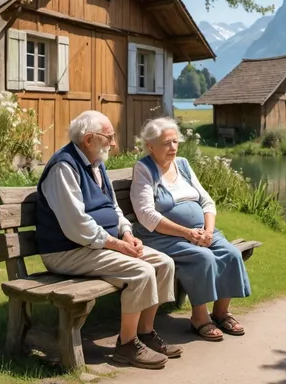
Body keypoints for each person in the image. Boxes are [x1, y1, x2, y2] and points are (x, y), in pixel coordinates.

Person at [35, 110, 182, 370]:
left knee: (164, 263)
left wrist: (126, 233)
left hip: (97, 244)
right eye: (109, 137)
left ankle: (145, 333)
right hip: (67, 251)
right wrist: (116, 244)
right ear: (89, 139)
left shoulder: (96, 162)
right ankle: (126, 345)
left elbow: (112, 208)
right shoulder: (64, 167)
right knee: (141, 271)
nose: (114, 144)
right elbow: (76, 226)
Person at [130, 117, 251, 342]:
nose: (173, 147)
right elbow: (146, 215)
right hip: (162, 236)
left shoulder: (183, 164)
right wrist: (187, 233)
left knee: (231, 253)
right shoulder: (144, 169)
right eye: (167, 143)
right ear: (150, 146)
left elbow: (207, 201)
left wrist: (207, 230)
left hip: (198, 231)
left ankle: (221, 312)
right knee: (203, 258)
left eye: (175, 142)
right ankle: (199, 318)